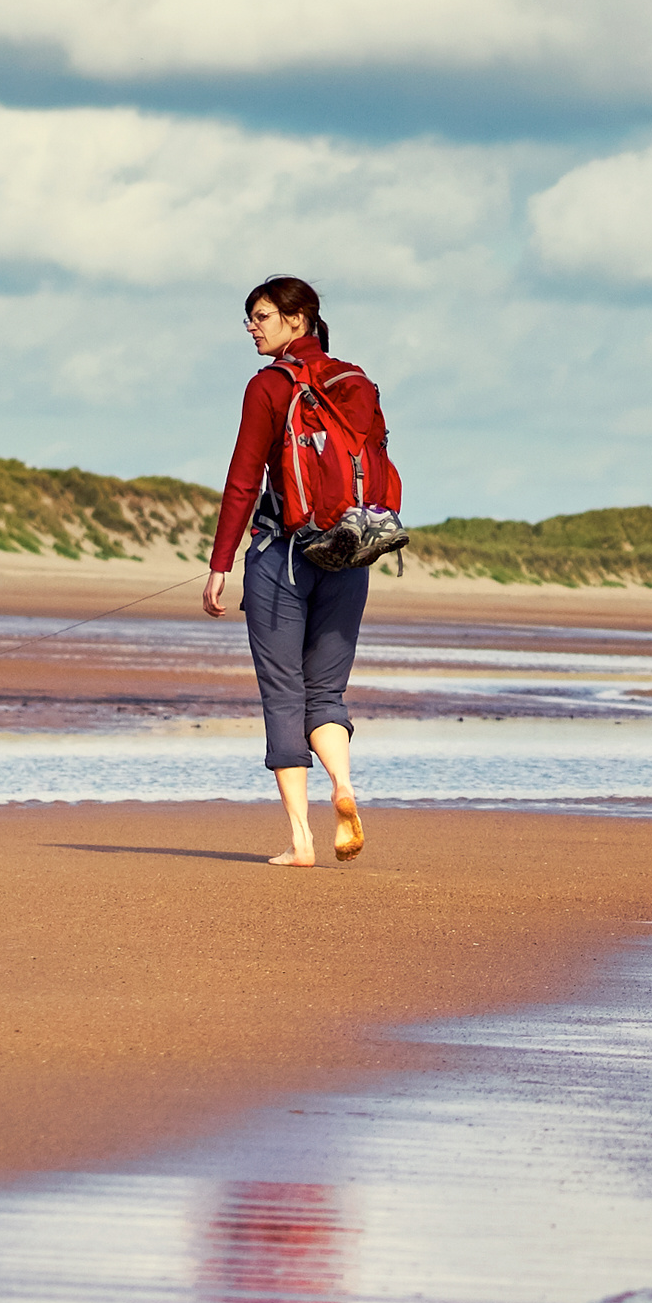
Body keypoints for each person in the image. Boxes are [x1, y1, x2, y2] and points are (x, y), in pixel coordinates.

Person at [198, 275, 380, 869]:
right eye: (250, 317)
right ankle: (345, 786)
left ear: (297, 321)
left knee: (283, 693)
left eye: (263, 316)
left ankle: (302, 839)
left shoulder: (268, 387)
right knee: (325, 691)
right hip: (350, 552)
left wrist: (219, 565)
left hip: (283, 555)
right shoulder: (355, 382)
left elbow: (244, 480)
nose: (252, 327)